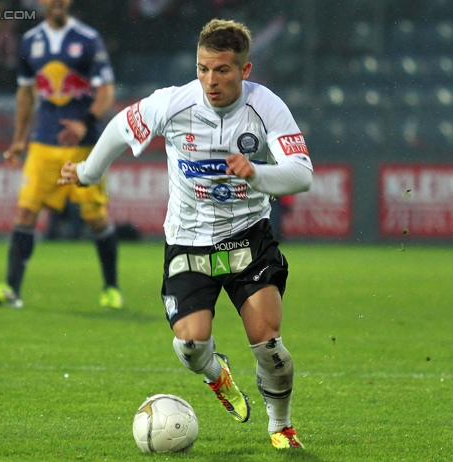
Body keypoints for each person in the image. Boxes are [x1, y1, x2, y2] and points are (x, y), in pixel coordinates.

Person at [59, 19, 312, 449]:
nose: (210, 80)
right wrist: (87, 171)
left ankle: (280, 425)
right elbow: (122, 126)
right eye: (202, 68)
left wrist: (258, 172)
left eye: (222, 70)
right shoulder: (173, 104)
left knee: (268, 343)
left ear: (245, 71)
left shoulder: (267, 107)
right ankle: (217, 373)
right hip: (188, 240)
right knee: (192, 344)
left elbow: (301, 175)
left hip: (248, 237)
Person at [0, 0, 123, 309]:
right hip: (43, 143)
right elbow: (26, 93)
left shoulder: (87, 39)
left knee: (95, 218)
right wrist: (19, 139)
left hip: (82, 147)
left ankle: (111, 287)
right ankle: (11, 288)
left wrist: (85, 123)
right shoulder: (30, 41)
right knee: (25, 212)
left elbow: (106, 91)